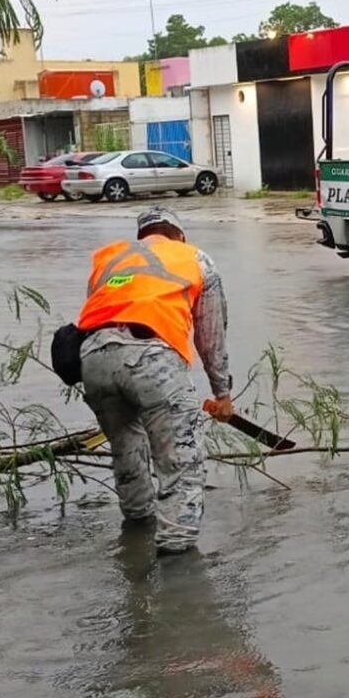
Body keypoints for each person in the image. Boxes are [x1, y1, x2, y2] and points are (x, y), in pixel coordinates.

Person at [77, 207, 232, 555]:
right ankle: (178, 569)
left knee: (126, 449)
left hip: (94, 359)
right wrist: (222, 394)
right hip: (152, 359)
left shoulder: (110, 260)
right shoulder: (195, 258)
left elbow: (98, 310)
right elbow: (211, 336)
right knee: (181, 462)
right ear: (179, 235)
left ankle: (136, 531)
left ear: (142, 236)